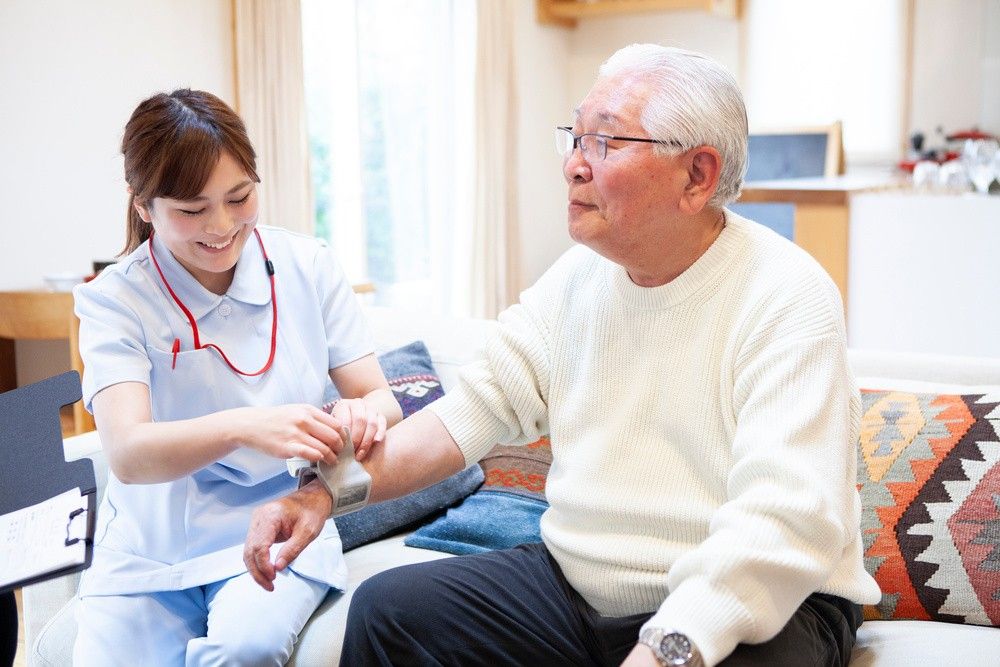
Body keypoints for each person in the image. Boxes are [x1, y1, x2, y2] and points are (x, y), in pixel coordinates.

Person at [245, 44, 881, 667]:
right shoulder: (574, 282)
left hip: (766, 606)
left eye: (605, 143)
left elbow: (784, 519)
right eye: (574, 138)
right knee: (390, 612)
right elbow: (465, 415)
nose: (574, 165)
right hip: (581, 590)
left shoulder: (785, 295)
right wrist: (323, 495)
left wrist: (669, 646)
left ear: (698, 176)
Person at [72, 89, 402, 666]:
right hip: (151, 544)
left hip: (276, 526)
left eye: (239, 197)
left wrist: (360, 414)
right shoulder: (116, 300)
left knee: (242, 651)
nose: (222, 226)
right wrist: (248, 426)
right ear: (143, 206)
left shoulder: (308, 265)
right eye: (192, 210)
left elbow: (380, 396)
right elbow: (128, 453)